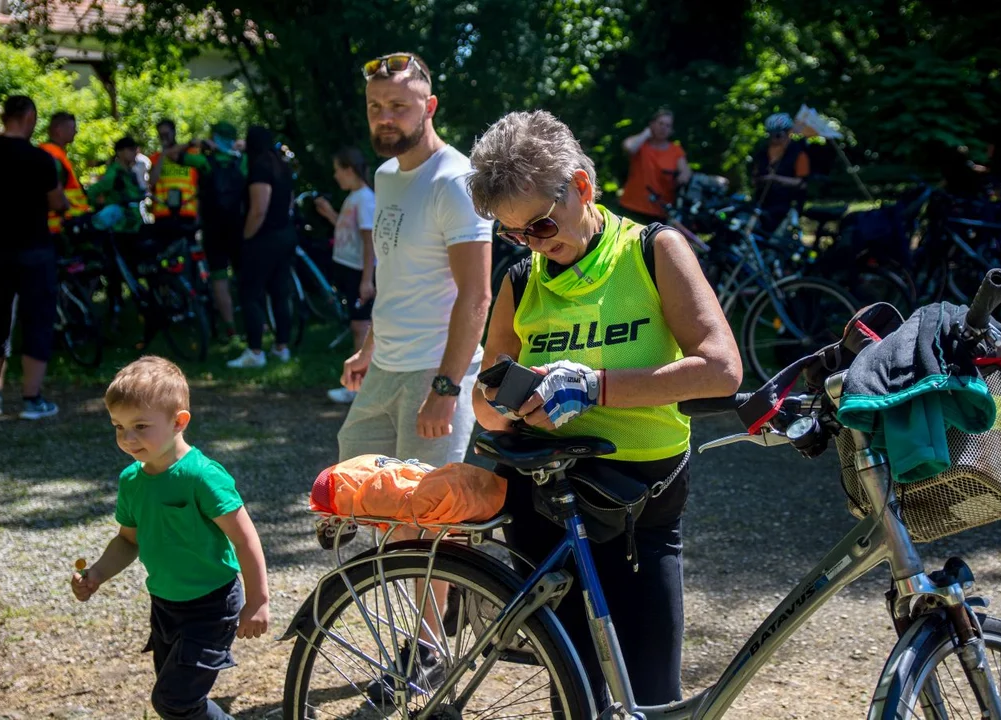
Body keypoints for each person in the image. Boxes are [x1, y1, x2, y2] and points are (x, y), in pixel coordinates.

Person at [467, 109, 742, 709]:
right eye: (513, 234)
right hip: (547, 493)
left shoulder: (652, 250)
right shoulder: (522, 278)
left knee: (654, 696)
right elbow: (483, 399)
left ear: (583, 187)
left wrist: (593, 387)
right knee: (579, 695)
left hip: (644, 496)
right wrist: (511, 405)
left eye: (540, 224)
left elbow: (721, 370)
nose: (534, 244)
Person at [336, 52, 492, 699]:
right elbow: (398, 281)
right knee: (362, 494)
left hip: (436, 370)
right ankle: (434, 616)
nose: (386, 118)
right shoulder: (385, 176)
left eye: (398, 106)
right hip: (388, 368)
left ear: (429, 107)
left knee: (426, 517)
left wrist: (448, 386)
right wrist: (367, 345)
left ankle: (426, 653)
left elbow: (476, 297)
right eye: (376, 106)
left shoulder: (457, 180)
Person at [70, 356, 270, 720]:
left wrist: (257, 600)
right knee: (177, 703)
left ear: (179, 422)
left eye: (140, 426)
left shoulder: (202, 477)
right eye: (118, 427)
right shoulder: (131, 481)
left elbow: (245, 539)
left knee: (173, 701)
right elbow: (128, 541)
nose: (128, 438)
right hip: (164, 606)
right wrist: (96, 574)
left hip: (211, 606)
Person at [0, 96, 68, 419]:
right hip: (35, 249)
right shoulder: (41, 159)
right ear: (29, 116)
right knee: (38, 320)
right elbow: (57, 201)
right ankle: (32, 400)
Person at [167, 122, 248, 339]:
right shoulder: (242, 161)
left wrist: (193, 143)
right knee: (245, 276)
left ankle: (230, 327)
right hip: (240, 226)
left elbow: (172, 155)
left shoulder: (205, 162)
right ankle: (256, 323)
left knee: (219, 277)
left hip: (214, 228)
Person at [226, 125, 297, 368]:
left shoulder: (260, 168)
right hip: (285, 234)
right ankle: (282, 346)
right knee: (280, 292)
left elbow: (258, 209)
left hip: (264, 238)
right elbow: (289, 202)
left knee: (250, 293)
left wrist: (246, 237)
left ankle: (255, 351)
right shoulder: (282, 166)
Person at [315, 147, 376, 403]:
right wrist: (329, 214)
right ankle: (360, 386)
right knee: (357, 324)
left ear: (349, 170)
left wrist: (366, 279)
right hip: (350, 271)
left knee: (361, 326)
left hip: (359, 273)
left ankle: (360, 388)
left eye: (338, 170)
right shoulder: (354, 197)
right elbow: (348, 230)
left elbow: (368, 241)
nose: (336, 176)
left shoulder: (364, 199)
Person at [618, 108, 692, 224]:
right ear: (652, 124)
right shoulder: (640, 145)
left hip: (659, 211)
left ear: (671, 130)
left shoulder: (676, 151)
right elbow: (629, 148)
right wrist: (646, 133)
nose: (663, 128)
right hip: (631, 206)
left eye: (667, 125)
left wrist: (681, 179)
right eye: (660, 123)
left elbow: (686, 172)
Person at [751, 112, 810, 232]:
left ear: (788, 133)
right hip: (763, 202)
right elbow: (754, 177)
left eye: (778, 135)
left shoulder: (798, 153)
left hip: (787, 203)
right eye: (771, 135)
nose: (774, 138)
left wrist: (775, 178)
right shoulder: (762, 153)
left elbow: (801, 182)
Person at [39, 111, 90, 235]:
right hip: (60, 228)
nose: (75, 132)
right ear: (59, 130)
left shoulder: (51, 153)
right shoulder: (53, 156)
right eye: (72, 128)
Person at [149, 119, 200, 243]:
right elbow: (152, 182)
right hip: (164, 214)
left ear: (174, 133)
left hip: (186, 212)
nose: (164, 138)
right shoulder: (156, 158)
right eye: (161, 135)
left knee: (188, 255)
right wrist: (163, 154)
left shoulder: (191, 154)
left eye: (167, 134)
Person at [87, 136, 147, 234]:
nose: (134, 153)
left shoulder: (131, 173)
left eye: (135, 149)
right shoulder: (114, 173)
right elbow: (92, 191)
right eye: (130, 149)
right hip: (119, 229)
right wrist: (99, 204)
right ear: (119, 152)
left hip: (134, 225)